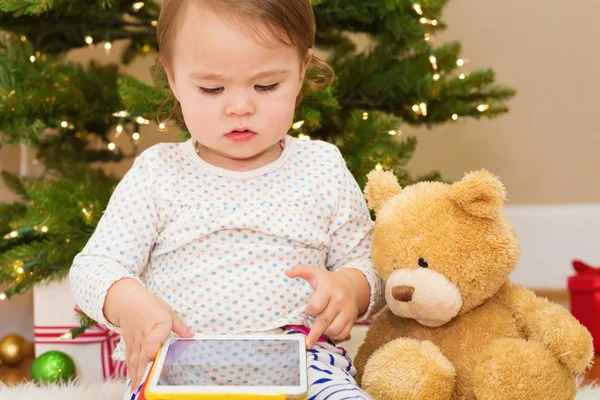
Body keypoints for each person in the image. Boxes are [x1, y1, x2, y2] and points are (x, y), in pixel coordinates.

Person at [69, 0, 384, 399]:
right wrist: (128, 301)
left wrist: (349, 287)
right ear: (172, 76)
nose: (240, 107)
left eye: (267, 85)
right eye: (212, 88)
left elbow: (368, 262)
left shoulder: (322, 167)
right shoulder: (158, 173)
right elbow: (93, 266)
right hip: (180, 361)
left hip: (302, 357)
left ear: (302, 71)